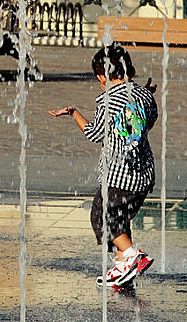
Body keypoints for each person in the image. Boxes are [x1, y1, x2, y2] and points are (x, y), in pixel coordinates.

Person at [48, 42, 157, 288]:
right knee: (121, 220)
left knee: (101, 216)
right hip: (143, 175)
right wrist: (143, 98)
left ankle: (132, 256)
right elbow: (146, 123)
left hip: (119, 174)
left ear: (102, 75)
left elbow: (95, 133)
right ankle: (122, 268)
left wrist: (74, 113)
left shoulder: (108, 101)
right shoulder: (145, 95)